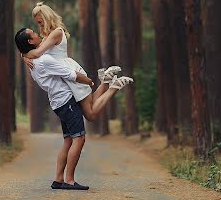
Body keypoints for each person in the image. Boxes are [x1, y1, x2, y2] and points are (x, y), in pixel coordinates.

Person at [15, 26, 133, 191]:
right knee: (79, 138)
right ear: (30, 41)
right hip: (66, 102)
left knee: (68, 140)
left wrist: (23, 55)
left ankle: (58, 179)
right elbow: (71, 74)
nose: (37, 33)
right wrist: (89, 81)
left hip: (58, 103)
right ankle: (69, 180)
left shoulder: (33, 61)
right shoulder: (43, 60)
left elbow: (31, 53)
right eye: (33, 33)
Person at [23, 2, 132, 121]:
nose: (39, 25)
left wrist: (24, 54)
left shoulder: (56, 33)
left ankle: (114, 86)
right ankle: (106, 81)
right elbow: (36, 52)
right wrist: (24, 56)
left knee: (90, 114)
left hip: (69, 73)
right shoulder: (47, 36)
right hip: (65, 74)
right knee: (89, 105)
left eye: (40, 22)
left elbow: (37, 53)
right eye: (37, 23)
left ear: (47, 18)